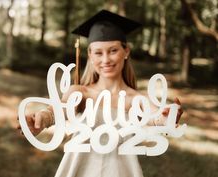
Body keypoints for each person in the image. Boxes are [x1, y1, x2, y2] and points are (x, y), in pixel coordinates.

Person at [17, 10, 183, 177]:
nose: (105, 60)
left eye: (113, 50)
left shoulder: (136, 100)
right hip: (78, 170)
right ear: (90, 55)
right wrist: (41, 120)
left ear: (126, 51)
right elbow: (57, 112)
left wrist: (166, 117)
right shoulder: (80, 93)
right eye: (98, 52)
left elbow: (155, 116)